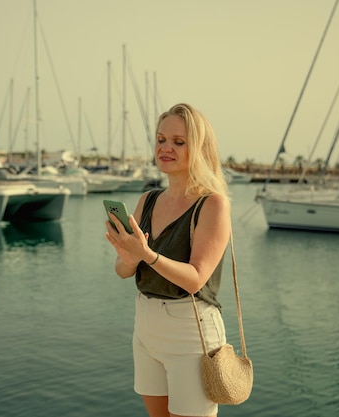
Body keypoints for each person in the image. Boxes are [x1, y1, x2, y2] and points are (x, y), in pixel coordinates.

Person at [105, 103, 231, 417]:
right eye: (161, 139)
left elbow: (196, 278)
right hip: (146, 324)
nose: (166, 148)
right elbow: (122, 270)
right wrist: (129, 257)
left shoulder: (212, 204)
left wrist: (148, 254)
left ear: (199, 148)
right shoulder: (147, 199)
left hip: (190, 329)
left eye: (178, 141)